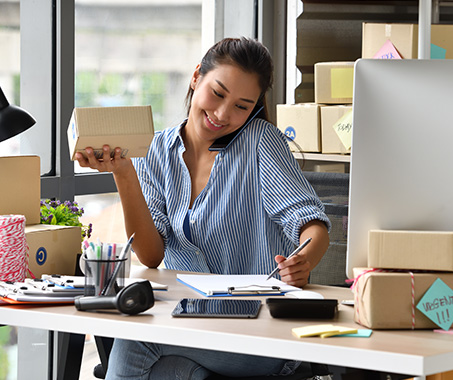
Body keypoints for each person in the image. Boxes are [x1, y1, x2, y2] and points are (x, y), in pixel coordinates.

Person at [75, 37, 330, 380]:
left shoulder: (260, 141)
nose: (223, 114)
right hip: (191, 325)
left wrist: (305, 261)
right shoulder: (157, 150)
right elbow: (151, 254)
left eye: (242, 105)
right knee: (176, 372)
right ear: (197, 76)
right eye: (218, 93)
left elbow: (313, 226)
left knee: (135, 342)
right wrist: (124, 172)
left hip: (261, 333)